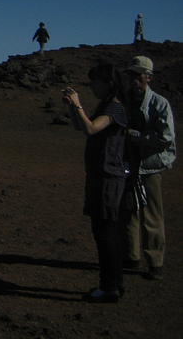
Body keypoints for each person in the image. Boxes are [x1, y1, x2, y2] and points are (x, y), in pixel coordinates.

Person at [63, 63, 134, 303]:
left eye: (95, 82)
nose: (92, 86)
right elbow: (82, 126)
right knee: (104, 231)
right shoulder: (108, 106)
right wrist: (74, 109)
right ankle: (114, 284)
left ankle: (110, 286)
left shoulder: (115, 108)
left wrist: (77, 104)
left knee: (105, 233)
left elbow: (92, 128)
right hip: (102, 176)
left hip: (108, 178)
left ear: (108, 83)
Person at [124, 55, 176, 281]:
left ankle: (155, 261)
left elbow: (165, 138)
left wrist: (139, 138)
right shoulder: (126, 101)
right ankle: (132, 256)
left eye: (138, 75)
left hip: (151, 165)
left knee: (152, 214)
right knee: (129, 211)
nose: (134, 79)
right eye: (131, 75)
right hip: (130, 163)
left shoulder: (159, 103)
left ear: (148, 77)